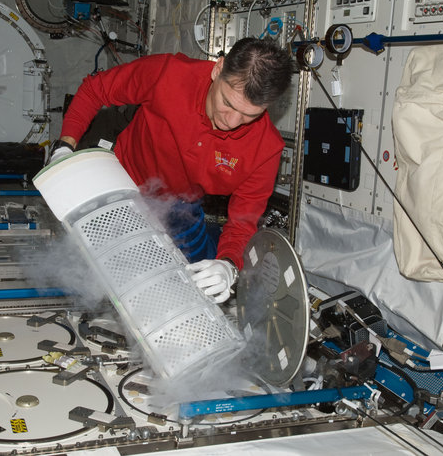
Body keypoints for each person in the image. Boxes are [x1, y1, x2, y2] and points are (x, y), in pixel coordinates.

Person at [49, 37, 293, 303]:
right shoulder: (170, 74)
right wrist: (65, 147)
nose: (233, 121)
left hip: (181, 209)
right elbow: (96, 90)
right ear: (217, 68)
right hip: (119, 184)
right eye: (228, 103)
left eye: (250, 115)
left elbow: (242, 222)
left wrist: (228, 266)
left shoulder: (265, 148)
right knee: (95, 279)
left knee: (195, 289)